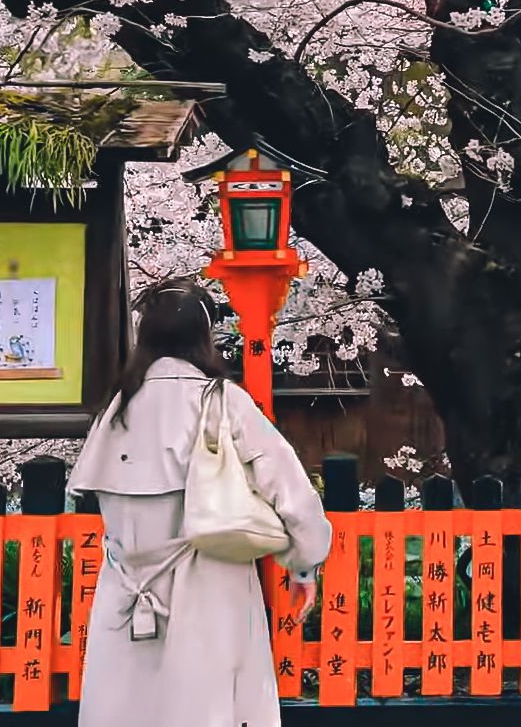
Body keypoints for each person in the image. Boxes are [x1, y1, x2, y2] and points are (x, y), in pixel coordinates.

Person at [68, 279, 332, 727]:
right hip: (209, 581)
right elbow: (290, 489)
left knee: (125, 707)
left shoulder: (117, 409)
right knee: (208, 707)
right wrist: (303, 564)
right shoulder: (222, 400)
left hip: (127, 590)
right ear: (203, 336)